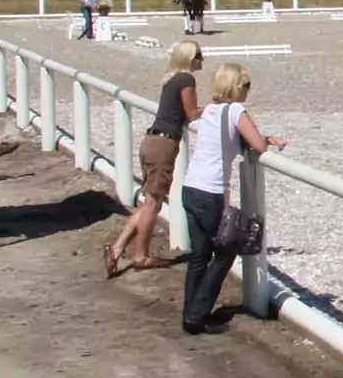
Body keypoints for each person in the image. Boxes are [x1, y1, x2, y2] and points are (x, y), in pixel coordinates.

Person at [178, 61, 285, 335]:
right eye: (247, 85)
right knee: (225, 252)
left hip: (190, 187)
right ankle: (197, 315)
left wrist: (264, 137)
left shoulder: (211, 111)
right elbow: (256, 144)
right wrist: (266, 140)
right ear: (238, 87)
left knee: (199, 255)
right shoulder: (236, 110)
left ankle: (190, 313)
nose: (249, 91)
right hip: (210, 191)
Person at [108, 40, 203, 277]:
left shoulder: (171, 79)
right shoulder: (185, 80)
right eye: (199, 55)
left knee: (151, 200)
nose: (203, 59)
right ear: (190, 58)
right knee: (153, 202)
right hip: (163, 144)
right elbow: (191, 114)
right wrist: (217, 108)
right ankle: (140, 255)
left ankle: (117, 248)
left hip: (152, 142)